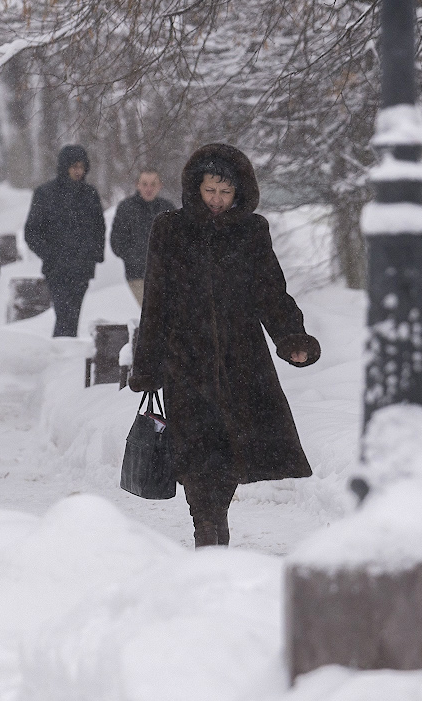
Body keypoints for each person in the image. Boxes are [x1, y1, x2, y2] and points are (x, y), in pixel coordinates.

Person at [128, 143, 320, 547]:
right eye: (209, 190)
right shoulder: (170, 229)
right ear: (195, 187)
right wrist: (147, 363)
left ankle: (218, 517)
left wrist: (290, 337)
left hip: (241, 361)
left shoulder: (251, 231)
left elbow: (271, 291)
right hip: (186, 360)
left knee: (229, 453)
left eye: (225, 191)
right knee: (197, 454)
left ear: (239, 193)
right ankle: (207, 525)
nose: (216, 200)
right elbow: (155, 302)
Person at [23, 145, 106, 337]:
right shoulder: (45, 194)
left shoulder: (90, 194)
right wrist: (50, 254)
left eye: (81, 167)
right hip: (57, 269)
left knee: (72, 315)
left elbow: (98, 227)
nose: (78, 171)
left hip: (82, 268)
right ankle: (62, 353)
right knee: (64, 314)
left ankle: (64, 353)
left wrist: (94, 254)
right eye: (74, 166)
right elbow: (32, 231)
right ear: (64, 167)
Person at [109, 169, 176, 307]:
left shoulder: (168, 208)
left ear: (160, 186)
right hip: (137, 276)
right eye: (144, 184)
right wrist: (138, 258)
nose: (149, 188)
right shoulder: (126, 208)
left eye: (153, 184)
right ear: (137, 185)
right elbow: (117, 243)